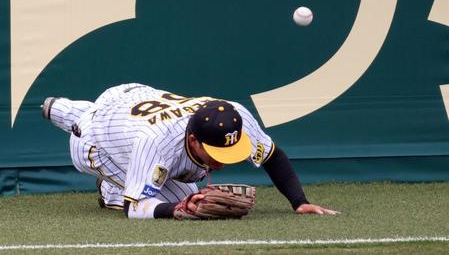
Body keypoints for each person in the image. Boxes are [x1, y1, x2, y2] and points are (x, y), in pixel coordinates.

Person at [42, 83, 338, 219]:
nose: (223, 164)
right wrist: (177, 209)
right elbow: (136, 209)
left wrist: (299, 201)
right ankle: (110, 190)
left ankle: (61, 108)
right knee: (183, 197)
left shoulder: (233, 114)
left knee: (186, 187)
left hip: (129, 97)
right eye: (217, 154)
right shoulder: (157, 142)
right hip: (97, 143)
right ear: (194, 140)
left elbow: (272, 155)